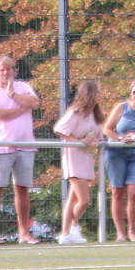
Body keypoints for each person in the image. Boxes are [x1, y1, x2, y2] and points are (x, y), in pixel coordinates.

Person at [0, 55, 41, 245]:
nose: (6, 72)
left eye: (9, 69)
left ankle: (24, 233)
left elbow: (35, 103)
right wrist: (22, 108)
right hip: (1, 147)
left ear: (14, 71)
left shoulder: (23, 87)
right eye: (2, 69)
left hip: (26, 146)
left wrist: (13, 94)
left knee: (22, 188)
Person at [54, 81, 104, 244]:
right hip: (74, 157)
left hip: (86, 157)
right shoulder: (76, 112)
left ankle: (66, 234)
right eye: (97, 92)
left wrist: (93, 141)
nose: (100, 95)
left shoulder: (96, 114)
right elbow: (59, 129)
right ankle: (73, 226)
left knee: (73, 198)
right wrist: (77, 141)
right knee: (84, 200)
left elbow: (99, 136)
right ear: (89, 94)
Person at [103, 79, 135, 241]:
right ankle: (120, 233)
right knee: (117, 192)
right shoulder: (121, 107)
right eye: (134, 92)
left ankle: (132, 231)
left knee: (134, 192)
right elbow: (107, 129)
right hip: (116, 153)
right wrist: (121, 138)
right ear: (130, 94)